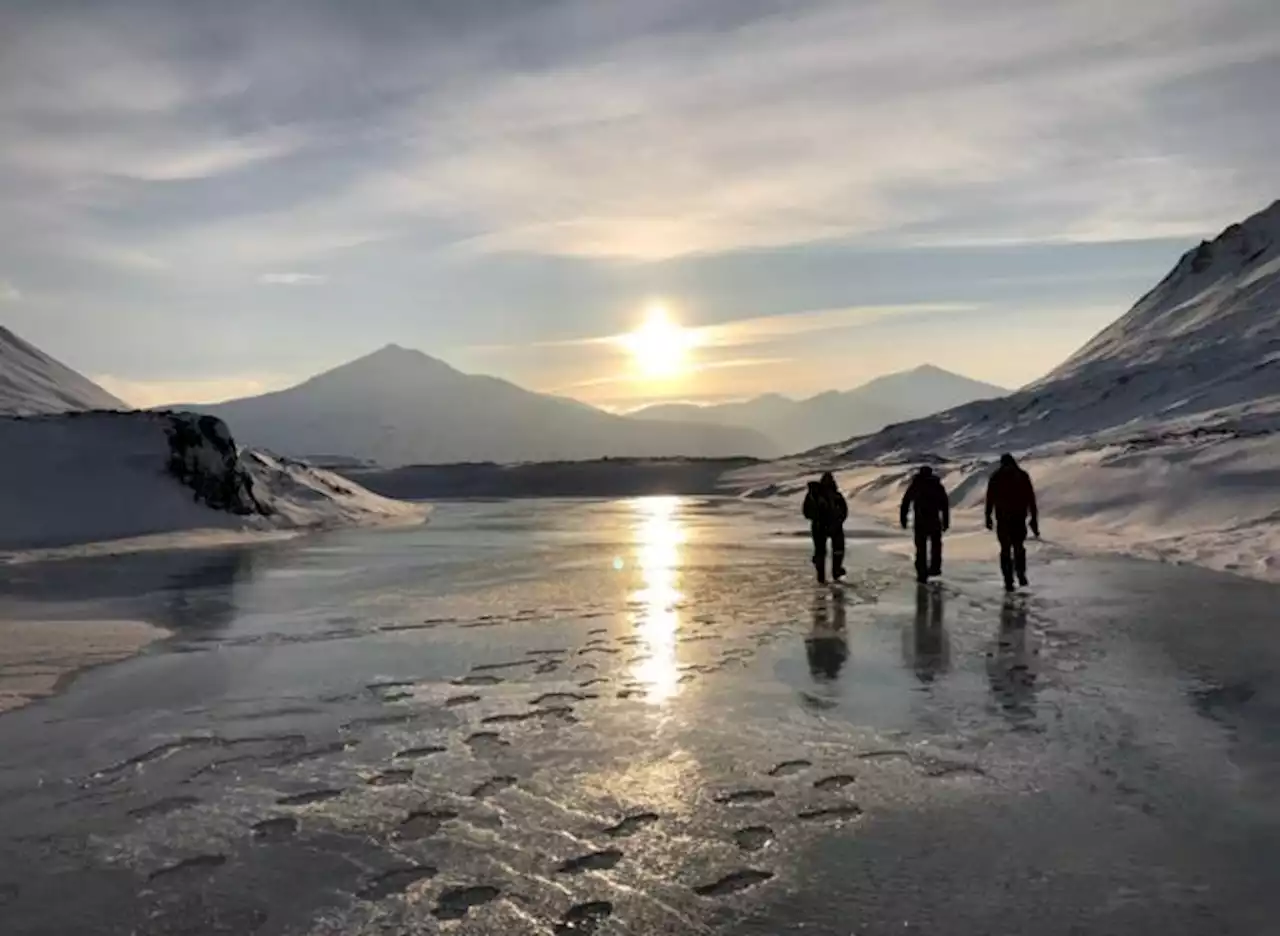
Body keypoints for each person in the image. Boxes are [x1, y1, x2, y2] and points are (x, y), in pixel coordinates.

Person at [985, 453, 1040, 592]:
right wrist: (1033, 518)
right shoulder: (1021, 475)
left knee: (1005, 549)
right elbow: (1031, 498)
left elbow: (989, 498)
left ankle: (1008, 579)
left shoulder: (996, 476)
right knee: (1018, 547)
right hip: (1018, 518)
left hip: (1003, 519)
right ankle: (1020, 573)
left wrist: (988, 516)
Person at [899, 466, 950, 583]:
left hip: (921, 521)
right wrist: (946, 521)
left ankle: (922, 572)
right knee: (935, 546)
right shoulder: (936, 485)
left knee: (922, 548)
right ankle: (934, 568)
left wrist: (903, 519)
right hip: (933, 520)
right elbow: (944, 505)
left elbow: (906, 502)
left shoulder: (917, 484)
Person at [802, 472, 847, 584]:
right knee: (827, 551)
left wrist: (837, 521)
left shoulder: (831, 495)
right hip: (826, 526)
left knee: (827, 551)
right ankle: (829, 574)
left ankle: (829, 574)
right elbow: (807, 511)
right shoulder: (818, 495)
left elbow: (844, 511)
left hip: (826, 527)